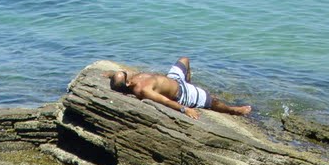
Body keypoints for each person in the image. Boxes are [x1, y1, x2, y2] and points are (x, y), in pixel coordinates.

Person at [105, 57, 251, 118]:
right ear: (128, 83)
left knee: (184, 60)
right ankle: (235, 110)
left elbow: (116, 77)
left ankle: (189, 82)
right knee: (213, 101)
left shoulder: (132, 79)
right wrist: (184, 109)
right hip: (182, 94)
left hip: (174, 79)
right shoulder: (143, 90)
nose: (126, 72)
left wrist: (110, 74)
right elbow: (164, 101)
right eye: (124, 74)